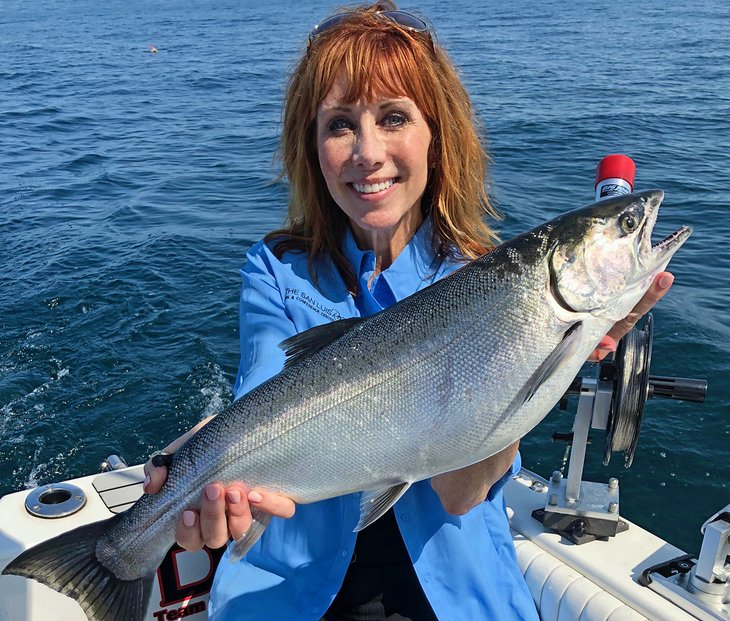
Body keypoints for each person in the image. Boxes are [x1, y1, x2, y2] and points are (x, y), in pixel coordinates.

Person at [144, 3, 676, 619]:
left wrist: (542, 361)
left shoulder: (490, 278)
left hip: (452, 592)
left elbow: (460, 494)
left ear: (436, 132)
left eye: (393, 117)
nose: (367, 153)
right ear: (311, 145)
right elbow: (266, 410)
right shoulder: (278, 270)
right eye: (340, 125)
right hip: (287, 594)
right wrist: (180, 472)